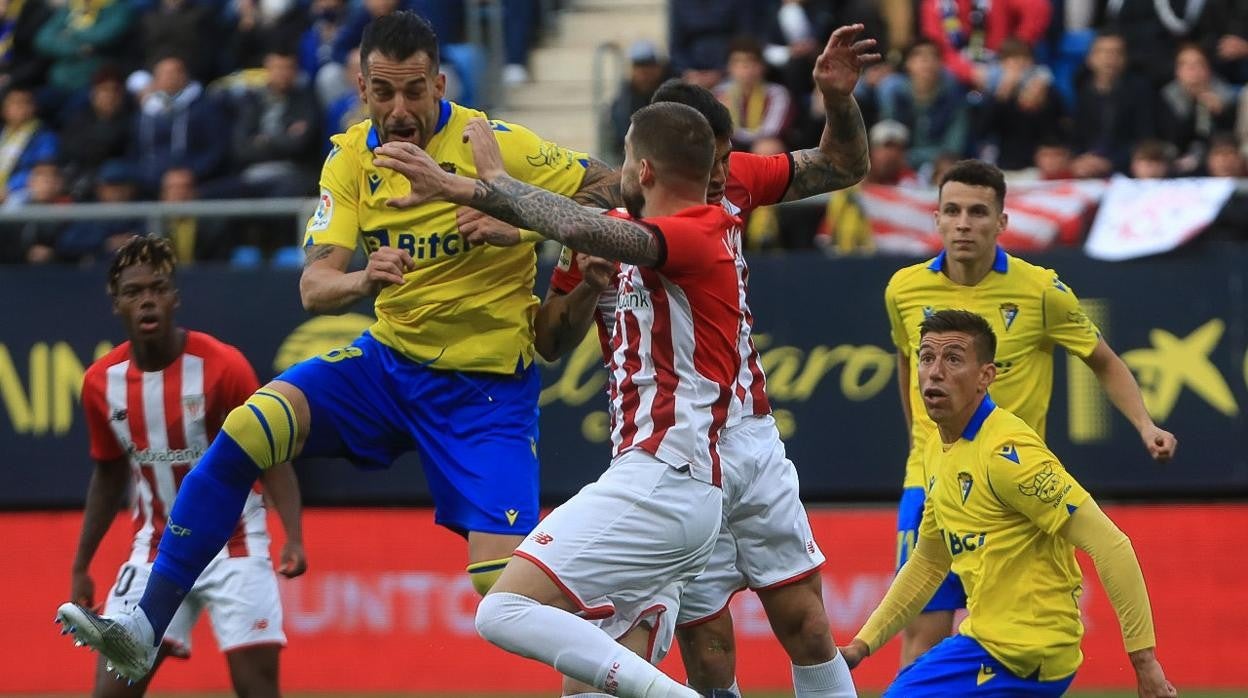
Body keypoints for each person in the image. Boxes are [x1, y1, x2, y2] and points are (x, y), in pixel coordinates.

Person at [55, 10, 617, 681]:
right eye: (384, 92)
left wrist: (516, 214)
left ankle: (618, 647)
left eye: (415, 90)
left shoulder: (494, 144)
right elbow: (315, 287)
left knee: (501, 592)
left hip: (486, 392)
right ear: (361, 87)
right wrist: (361, 276)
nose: (400, 109)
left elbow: (614, 190)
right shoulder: (350, 157)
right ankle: (146, 625)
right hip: (387, 367)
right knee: (246, 430)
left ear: (441, 82)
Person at [531, 24, 880, 698]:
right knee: (708, 645)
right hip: (670, 450)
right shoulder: (594, 225)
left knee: (807, 623)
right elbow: (550, 339)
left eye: (725, 160)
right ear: (655, 161)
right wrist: (591, 288)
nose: (720, 177)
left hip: (746, 432)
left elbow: (843, 165)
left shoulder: (733, 184)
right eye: (708, 163)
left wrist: (838, 100)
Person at [376, 103, 741, 698]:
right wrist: (518, 226)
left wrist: (486, 182)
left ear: (643, 169)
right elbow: (572, 267)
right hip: (676, 489)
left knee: (500, 612)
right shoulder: (652, 230)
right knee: (584, 687)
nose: (616, 171)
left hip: (663, 479)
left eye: (623, 159)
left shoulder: (698, 232)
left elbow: (585, 226)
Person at [884, 160, 1178, 668]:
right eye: (951, 211)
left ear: (1001, 222)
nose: (963, 223)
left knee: (1018, 639)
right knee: (922, 640)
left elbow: (1103, 361)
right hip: (931, 484)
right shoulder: (904, 289)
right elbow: (908, 362)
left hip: (1013, 490)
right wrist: (921, 444)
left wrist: (1145, 425)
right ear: (935, 218)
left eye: (978, 212)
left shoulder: (1041, 291)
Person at [838, 309, 1176, 698]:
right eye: (926, 357)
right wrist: (862, 645)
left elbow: (1112, 545)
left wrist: (1145, 663)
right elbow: (929, 562)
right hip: (985, 643)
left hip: (1027, 653)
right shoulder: (935, 449)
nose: (934, 372)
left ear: (986, 376)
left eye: (953, 358)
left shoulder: (1008, 454)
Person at [66, 235, 306, 696]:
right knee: (111, 689)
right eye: (134, 292)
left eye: (157, 288)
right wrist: (82, 563)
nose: (147, 300)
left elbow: (270, 454)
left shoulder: (223, 366)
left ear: (175, 297)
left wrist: (293, 534)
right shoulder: (101, 383)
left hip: (235, 542)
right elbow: (108, 472)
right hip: (155, 548)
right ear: (116, 304)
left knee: (257, 686)